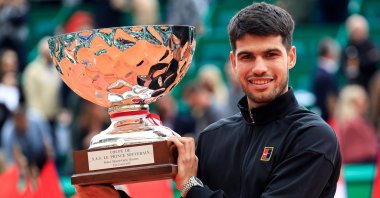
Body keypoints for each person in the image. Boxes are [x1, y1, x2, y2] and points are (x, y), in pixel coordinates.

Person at [75, 2, 342, 197]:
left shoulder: (313, 137)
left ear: (291, 57)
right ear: (233, 62)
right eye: (247, 56)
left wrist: (191, 186)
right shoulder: (213, 137)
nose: (259, 67)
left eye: (271, 54)